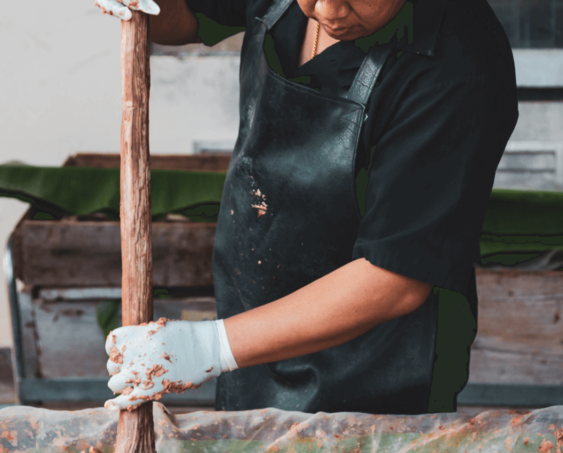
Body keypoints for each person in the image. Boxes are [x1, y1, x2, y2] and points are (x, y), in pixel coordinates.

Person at [101, 0, 517, 414]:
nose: (327, 10)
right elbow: (188, 18)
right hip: (250, 324)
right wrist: (145, 5)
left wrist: (209, 346)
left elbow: (396, 277)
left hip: (378, 370)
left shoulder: (461, 65)